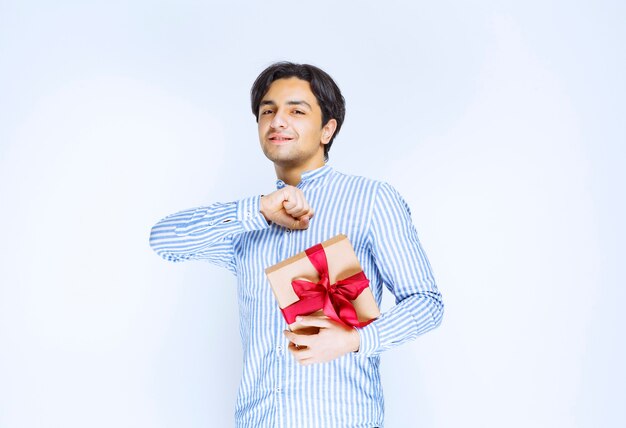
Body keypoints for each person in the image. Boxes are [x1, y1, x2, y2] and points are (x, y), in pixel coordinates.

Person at [149, 62, 444, 428]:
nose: (277, 121)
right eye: (267, 111)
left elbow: (427, 303)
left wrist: (354, 340)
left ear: (327, 129)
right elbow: (163, 239)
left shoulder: (370, 200)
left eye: (296, 110)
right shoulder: (249, 225)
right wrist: (256, 209)